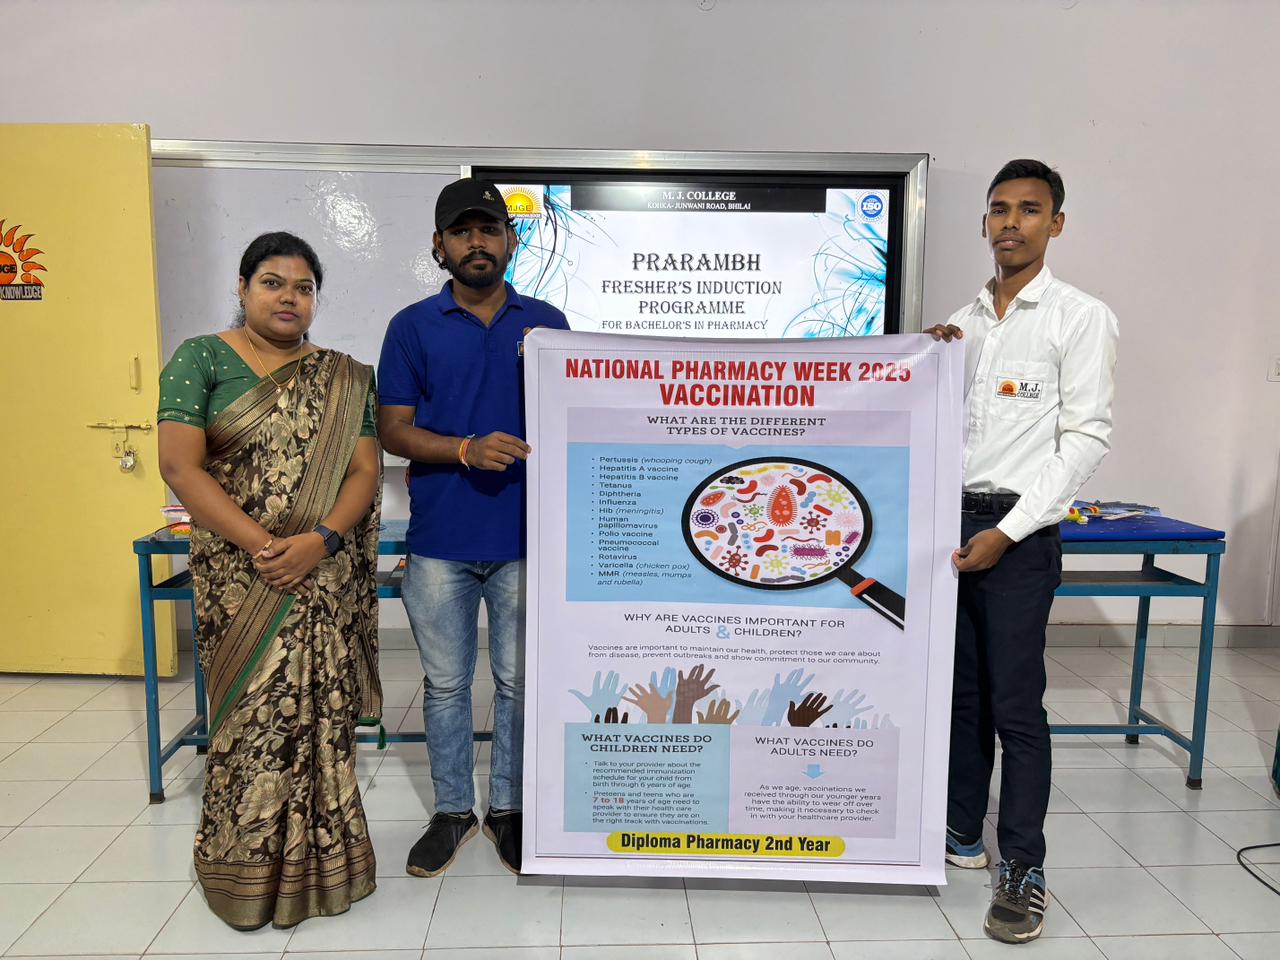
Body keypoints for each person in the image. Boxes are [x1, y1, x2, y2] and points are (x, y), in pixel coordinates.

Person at [157, 232, 383, 929]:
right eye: (273, 282)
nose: (289, 297)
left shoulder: (346, 377)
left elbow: (365, 471)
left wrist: (319, 542)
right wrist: (266, 547)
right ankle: (244, 874)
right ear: (243, 286)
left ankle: (327, 868)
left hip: (321, 577)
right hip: (241, 580)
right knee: (249, 725)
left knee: (322, 721)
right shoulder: (201, 358)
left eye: (304, 287)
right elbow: (179, 467)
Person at [925, 160, 1118, 944]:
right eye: (999, 209)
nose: (1012, 222)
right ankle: (960, 829)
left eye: (1030, 210)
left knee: (1015, 705)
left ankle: (1025, 867)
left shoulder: (1080, 317)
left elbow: (1086, 439)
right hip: (949, 526)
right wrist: (926, 363)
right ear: (984, 223)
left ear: (1056, 224)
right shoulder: (959, 323)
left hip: (1019, 533)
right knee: (960, 695)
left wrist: (1007, 532)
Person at [377, 179, 569, 876]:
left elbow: (575, 415)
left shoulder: (547, 323)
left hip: (526, 540)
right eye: (462, 232)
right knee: (446, 686)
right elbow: (392, 430)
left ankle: (508, 811)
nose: (477, 242)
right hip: (440, 544)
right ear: (439, 245)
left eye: (489, 229)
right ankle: (453, 811)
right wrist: (464, 448)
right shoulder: (412, 326)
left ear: (511, 241)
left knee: (519, 683)